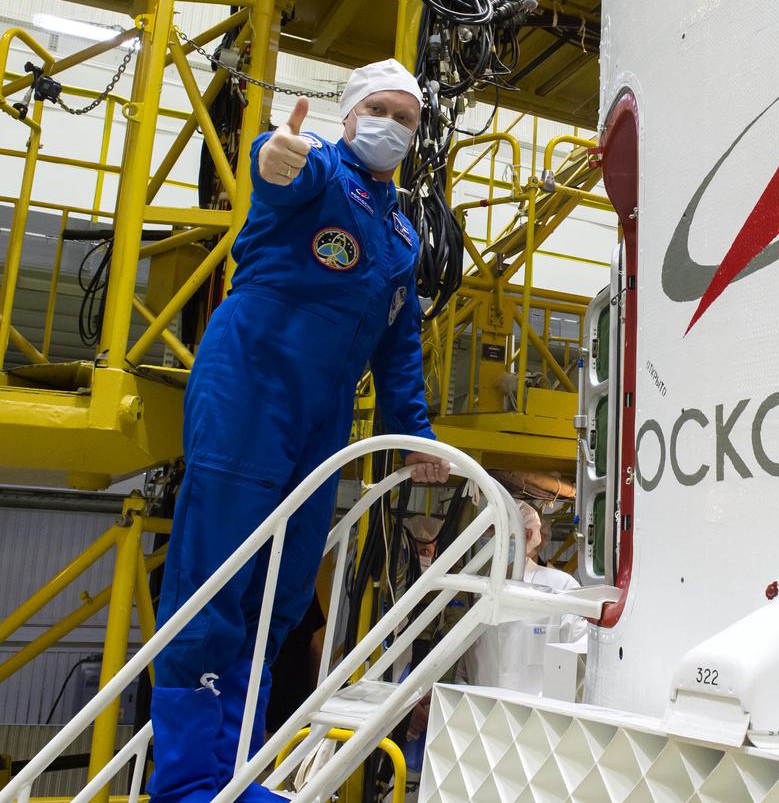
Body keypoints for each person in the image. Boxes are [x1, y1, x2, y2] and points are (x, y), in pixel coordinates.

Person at [148, 59, 452, 803]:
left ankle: (237, 770)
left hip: (324, 414)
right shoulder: (320, 168)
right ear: (349, 116)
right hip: (251, 379)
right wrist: (270, 155)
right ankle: (186, 780)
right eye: (378, 111)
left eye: (406, 118)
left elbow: (399, 346)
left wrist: (414, 434)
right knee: (218, 571)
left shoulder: (400, 235)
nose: (392, 126)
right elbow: (280, 167)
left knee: (280, 590)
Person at [458, 501, 587, 695]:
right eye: (489, 530)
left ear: (526, 535)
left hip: (540, 710)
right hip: (481, 709)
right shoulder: (474, 590)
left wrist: (548, 701)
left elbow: (582, 651)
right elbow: (462, 666)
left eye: (501, 529)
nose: (491, 538)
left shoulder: (560, 587)